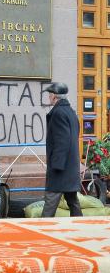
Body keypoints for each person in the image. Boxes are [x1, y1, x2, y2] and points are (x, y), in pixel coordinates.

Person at [41, 82, 83, 217]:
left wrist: (56, 165)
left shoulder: (58, 113)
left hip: (61, 168)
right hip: (70, 167)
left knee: (50, 201)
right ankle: (81, 227)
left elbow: (62, 141)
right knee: (72, 201)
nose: (49, 97)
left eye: (49, 95)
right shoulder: (70, 112)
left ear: (54, 96)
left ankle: (42, 230)